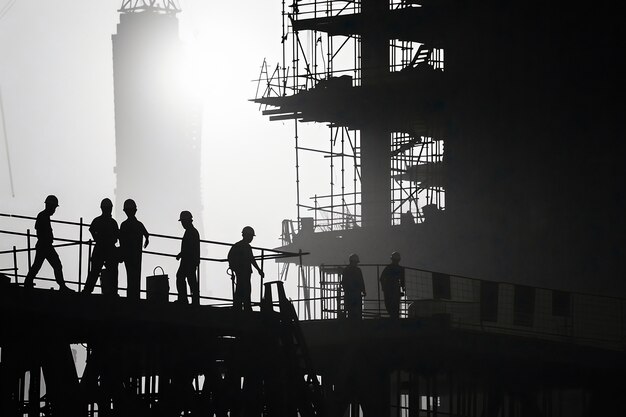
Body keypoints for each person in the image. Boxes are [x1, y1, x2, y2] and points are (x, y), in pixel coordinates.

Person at [23, 195, 71, 292]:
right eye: (54, 208)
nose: (54, 210)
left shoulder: (44, 216)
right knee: (56, 265)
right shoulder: (42, 216)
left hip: (44, 245)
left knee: (38, 265)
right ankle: (62, 286)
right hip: (45, 246)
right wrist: (46, 240)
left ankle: (28, 282)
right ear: (50, 206)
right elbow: (39, 231)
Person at [83, 198, 119, 295]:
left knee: (95, 271)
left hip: (100, 248)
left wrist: (97, 238)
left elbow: (91, 230)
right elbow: (117, 236)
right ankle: (113, 293)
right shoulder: (112, 222)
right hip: (108, 249)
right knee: (112, 271)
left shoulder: (98, 220)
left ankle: (87, 291)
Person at [228, 226, 265, 312]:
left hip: (243, 272)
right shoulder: (243, 246)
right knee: (245, 290)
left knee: (241, 289)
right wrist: (259, 270)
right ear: (246, 235)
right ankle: (245, 308)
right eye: (251, 236)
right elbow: (251, 259)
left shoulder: (239, 246)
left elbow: (230, 257)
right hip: (243, 272)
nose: (251, 238)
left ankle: (238, 307)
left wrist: (233, 268)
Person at [119, 199, 149, 300]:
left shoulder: (124, 225)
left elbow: (121, 240)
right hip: (136, 255)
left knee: (130, 275)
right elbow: (146, 235)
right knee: (135, 275)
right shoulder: (138, 224)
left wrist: (122, 254)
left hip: (128, 255)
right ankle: (134, 296)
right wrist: (146, 241)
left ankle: (131, 296)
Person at [175, 210, 200, 305]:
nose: (182, 224)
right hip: (190, 260)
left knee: (182, 277)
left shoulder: (191, 232)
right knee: (191, 280)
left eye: (182, 221)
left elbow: (189, 247)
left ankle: (184, 299)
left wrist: (181, 254)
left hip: (188, 260)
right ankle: (194, 301)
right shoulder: (192, 231)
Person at [379, 251, 406, 319]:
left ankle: (393, 317)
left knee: (390, 304)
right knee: (395, 304)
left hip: (389, 288)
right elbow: (402, 280)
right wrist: (403, 288)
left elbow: (382, 278)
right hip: (395, 288)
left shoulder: (388, 268)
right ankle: (395, 318)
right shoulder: (400, 269)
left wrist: (383, 287)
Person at [341, 253, 366, 320]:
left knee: (351, 311)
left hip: (350, 294)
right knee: (357, 312)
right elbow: (361, 281)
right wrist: (363, 291)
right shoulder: (358, 270)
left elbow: (343, 282)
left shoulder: (346, 270)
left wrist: (346, 291)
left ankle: (351, 325)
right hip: (356, 294)